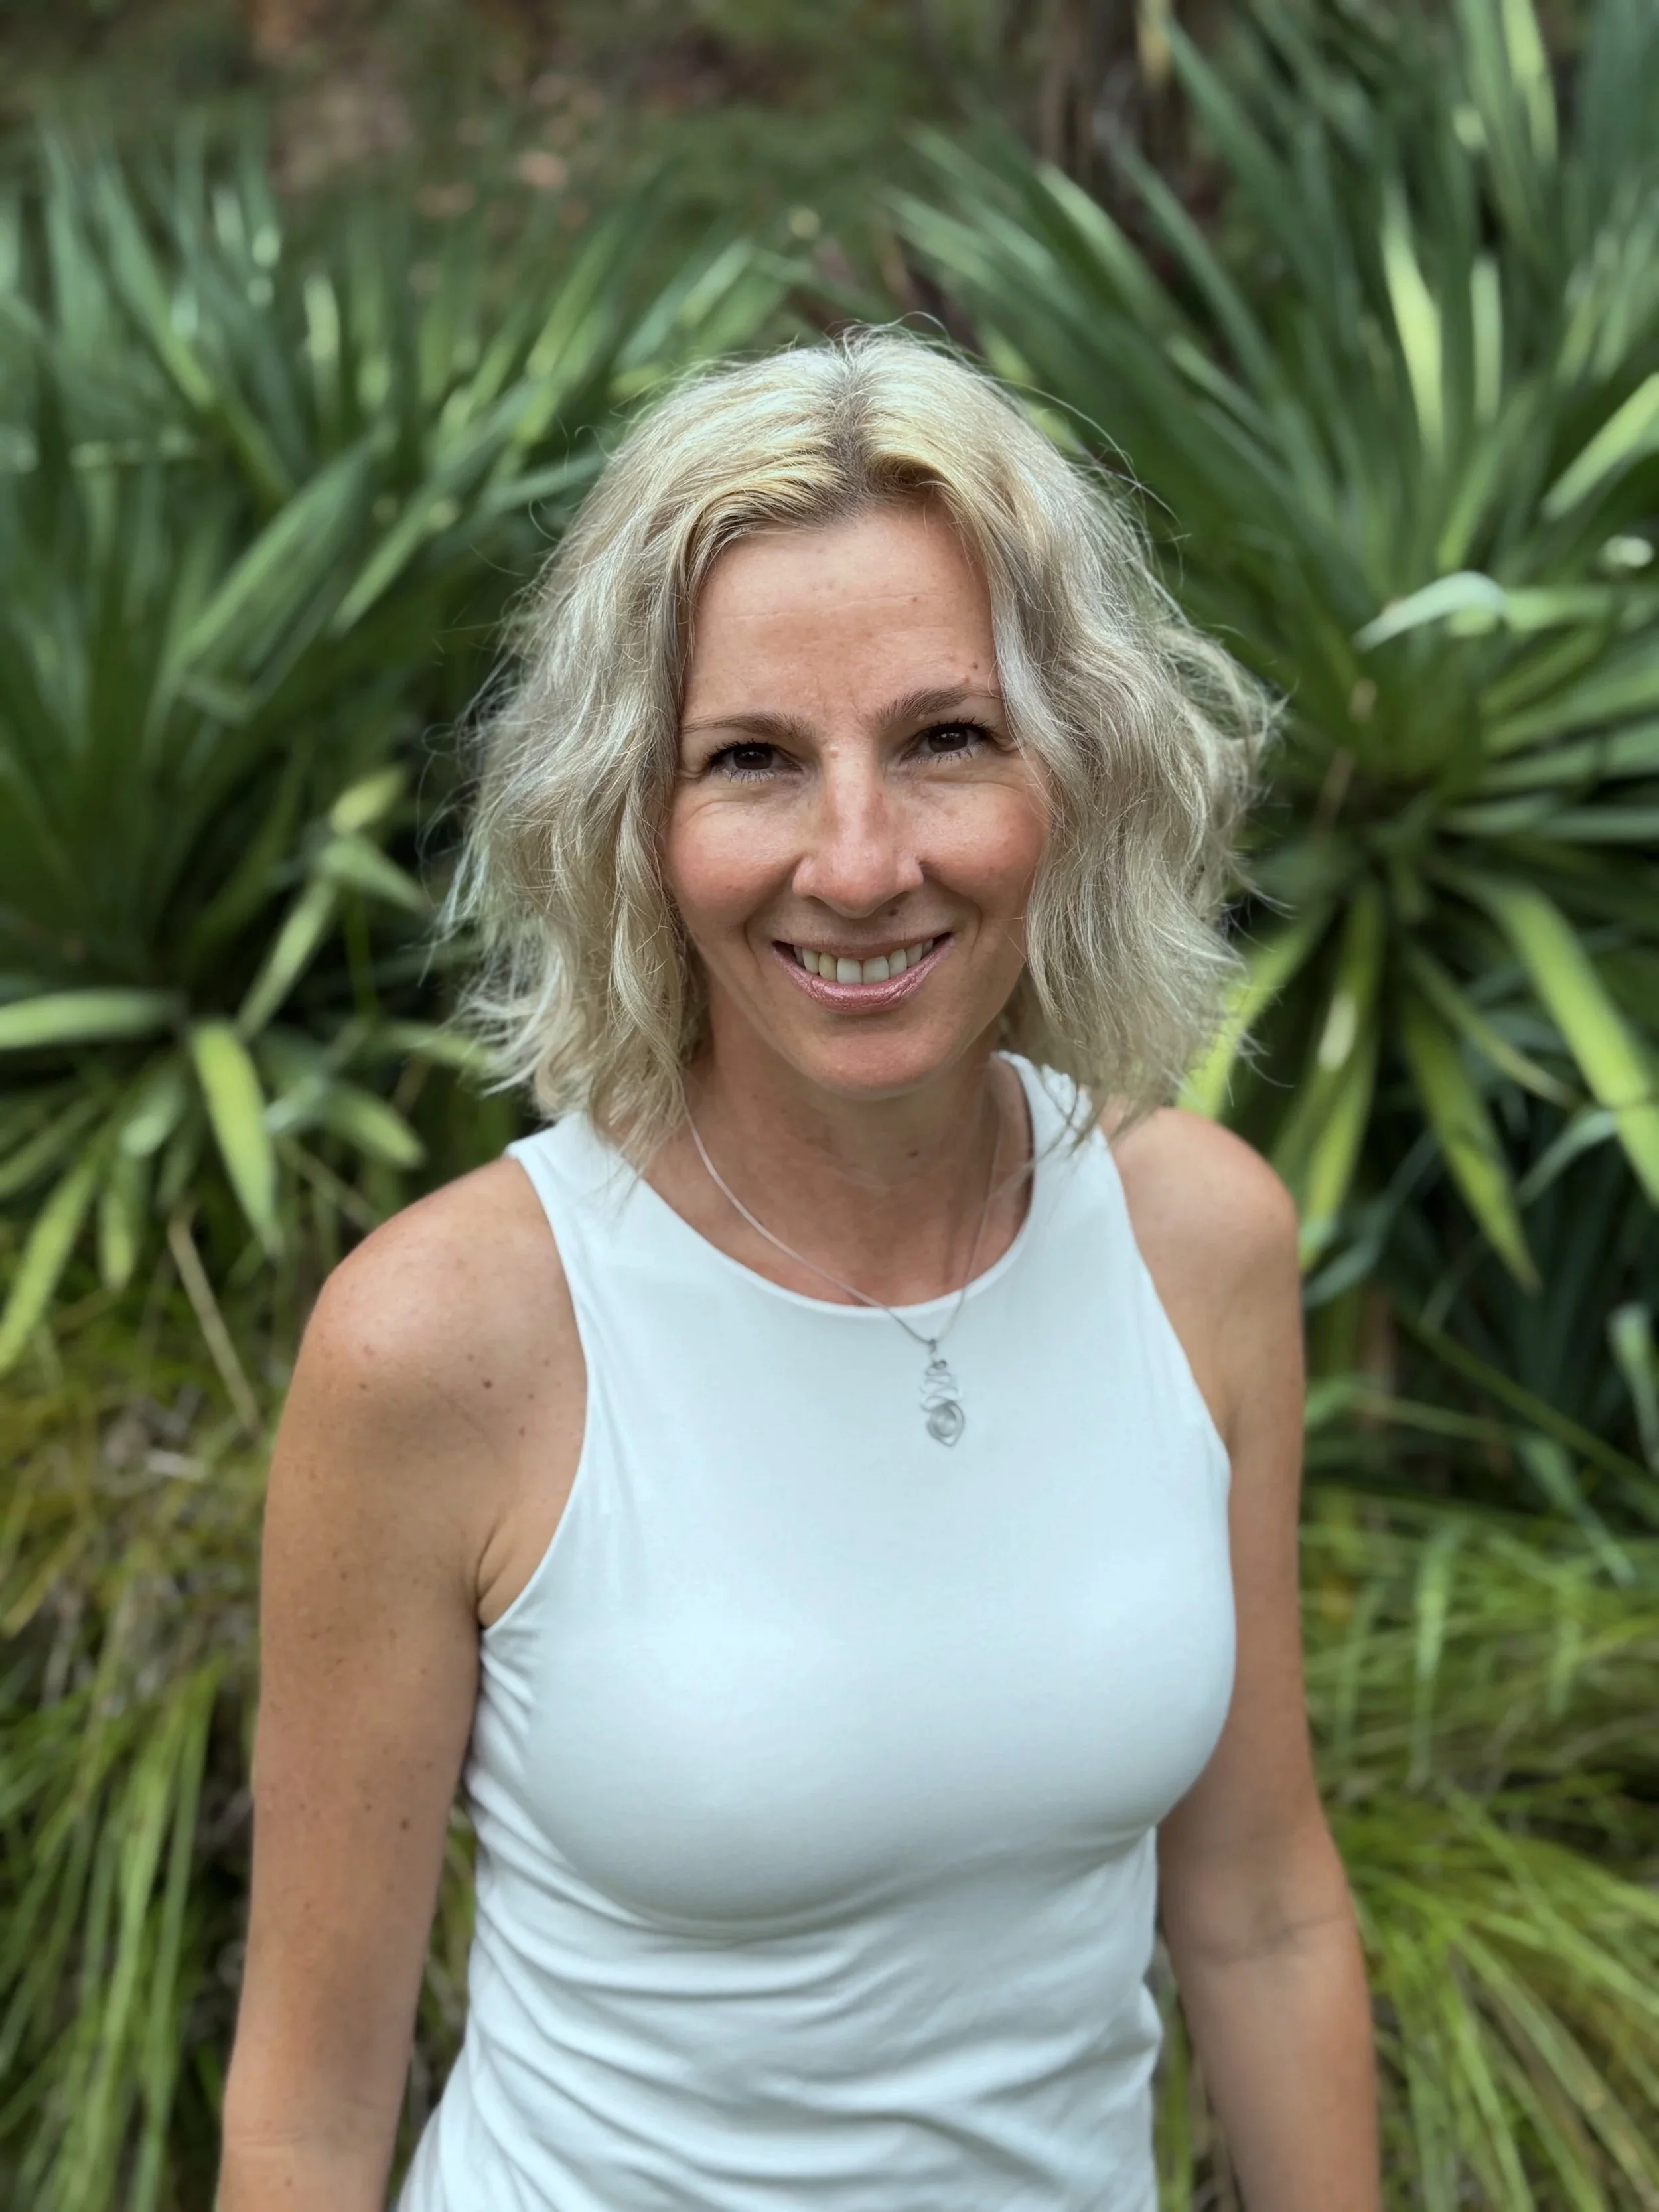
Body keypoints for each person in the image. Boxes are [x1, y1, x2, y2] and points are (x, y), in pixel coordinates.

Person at [218, 329, 1380, 2211]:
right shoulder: (452, 1340)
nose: (857, 861)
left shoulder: (1200, 1245)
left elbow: (1257, 1910)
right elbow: (307, 2108)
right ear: (633, 821)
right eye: (751, 758)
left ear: (1067, 773)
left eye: (943, 738)